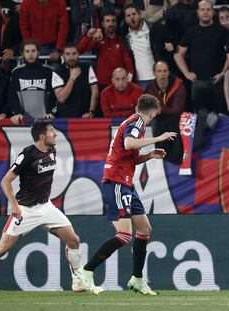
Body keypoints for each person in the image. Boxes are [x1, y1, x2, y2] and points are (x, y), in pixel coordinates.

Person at [0, 120, 90, 291]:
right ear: (42, 136)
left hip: (46, 208)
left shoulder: (52, 150)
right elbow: (5, 181)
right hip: (25, 209)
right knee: (2, 248)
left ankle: (78, 282)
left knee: (73, 240)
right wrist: (15, 206)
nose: (55, 134)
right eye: (51, 131)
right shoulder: (27, 155)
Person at [80, 94, 177, 295]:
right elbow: (129, 144)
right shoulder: (137, 123)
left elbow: (128, 154)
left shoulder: (132, 122)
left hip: (125, 183)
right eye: (154, 116)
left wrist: (150, 155)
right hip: (116, 183)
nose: (152, 119)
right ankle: (86, 272)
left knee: (144, 229)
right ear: (151, 113)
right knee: (124, 235)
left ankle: (137, 280)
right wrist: (159, 138)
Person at [77, 11, 134, 89]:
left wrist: (128, 82)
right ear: (103, 24)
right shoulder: (98, 39)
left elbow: (129, 65)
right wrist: (89, 36)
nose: (110, 23)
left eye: (113, 21)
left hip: (119, 84)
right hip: (102, 84)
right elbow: (79, 50)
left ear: (117, 23)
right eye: (107, 21)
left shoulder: (122, 41)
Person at [145, 60, 186, 164]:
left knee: (173, 121)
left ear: (168, 72)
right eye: (159, 71)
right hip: (159, 121)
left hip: (175, 120)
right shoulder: (150, 87)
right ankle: (161, 159)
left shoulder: (178, 86)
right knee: (155, 122)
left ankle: (176, 159)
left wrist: (161, 110)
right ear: (154, 73)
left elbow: (177, 109)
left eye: (164, 71)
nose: (162, 74)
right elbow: (149, 108)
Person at [8, 39, 55, 124]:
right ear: (23, 54)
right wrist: (18, 112)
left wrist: (51, 112)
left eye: (33, 51)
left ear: (38, 52)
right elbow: (12, 97)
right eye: (27, 51)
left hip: (45, 120)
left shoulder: (49, 71)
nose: (30, 54)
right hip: (23, 120)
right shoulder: (16, 72)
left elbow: (55, 96)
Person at [52, 43, 99, 118]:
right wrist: (72, 79)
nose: (71, 57)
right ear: (63, 56)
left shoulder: (87, 67)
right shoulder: (57, 72)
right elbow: (61, 98)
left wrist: (91, 111)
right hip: (64, 117)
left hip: (85, 116)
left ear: (78, 54)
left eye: (74, 54)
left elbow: (95, 90)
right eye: (68, 54)